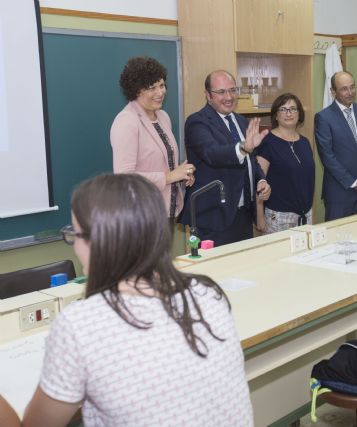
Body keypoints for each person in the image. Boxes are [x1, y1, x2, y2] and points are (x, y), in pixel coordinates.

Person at [2, 174, 252, 426]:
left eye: (75, 236)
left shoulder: (81, 325)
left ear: (99, 242)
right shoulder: (207, 293)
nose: (75, 247)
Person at [180, 70, 271, 246]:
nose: (229, 97)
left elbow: (251, 160)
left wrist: (261, 180)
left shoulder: (241, 121)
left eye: (233, 90)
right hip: (213, 217)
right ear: (207, 95)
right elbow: (213, 153)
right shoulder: (197, 122)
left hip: (243, 214)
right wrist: (244, 147)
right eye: (221, 92)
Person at [110, 56, 195, 220]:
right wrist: (169, 177)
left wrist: (181, 174)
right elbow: (124, 178)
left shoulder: (163, 117)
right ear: (136, 90)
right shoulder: (126, 121)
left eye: (162, 85)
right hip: (141, 216)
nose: (161, 92)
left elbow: (160, 162)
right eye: (152, 87)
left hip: (167, 210)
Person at [315, 71, 357, 221]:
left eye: (352, 87)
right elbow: (327, 157)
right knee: (338, 240)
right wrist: (354, 182)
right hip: (339, 193)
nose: (350, 92)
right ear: (333, 92)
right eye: (344, 89)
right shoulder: (323, 117)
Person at [255, 93, 314, 233]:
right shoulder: (267, 142)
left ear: (299, 114)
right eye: (283, 109)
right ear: (276, 115)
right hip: (279, 217)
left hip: (305, 214)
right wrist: (260, 217)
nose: (289, 113)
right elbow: (258, 183)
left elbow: (308, 182)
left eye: (293, 109)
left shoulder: (305, 142)